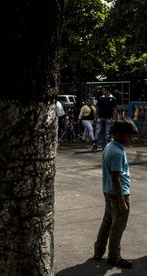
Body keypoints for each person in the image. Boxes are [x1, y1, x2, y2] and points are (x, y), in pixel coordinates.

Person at [93, 120, 138, 269]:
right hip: (119, 194)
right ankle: (114, 257)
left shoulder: (109, 146)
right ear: (119, 135)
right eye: (129, 136)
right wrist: (122, 202)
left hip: (108, 191)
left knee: (107, 222)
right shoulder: (118, 152)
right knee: (118, 226)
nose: (131, 139)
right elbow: (116, 178)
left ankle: (98, 251)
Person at [93, 86, 118, 152]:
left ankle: (105, 147)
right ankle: (95, 145)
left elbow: (114, 110)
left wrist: (114, 119)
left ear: (108, 91)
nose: (102, 91)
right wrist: (95, 117)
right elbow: (97, 108)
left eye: (104, 90)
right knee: (98, 132)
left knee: (106, 134)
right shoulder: (101, 98)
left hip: (108, 118)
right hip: (100, 117)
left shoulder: (113, 99)